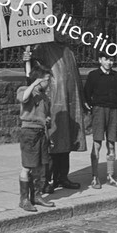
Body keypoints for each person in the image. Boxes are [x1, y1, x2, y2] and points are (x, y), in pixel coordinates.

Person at [27, 42, 87, 194]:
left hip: (68, 101)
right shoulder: (43, 47)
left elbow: (76, 76)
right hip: (53, 102)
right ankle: (47, 180)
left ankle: (62, 176)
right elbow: (35, 73)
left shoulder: (68, 50)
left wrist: (82, 96)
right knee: (52, 143)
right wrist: (27, 59)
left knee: (66, 140)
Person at [17, 64, 55, 212]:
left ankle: (36, 195)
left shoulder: (45, 97)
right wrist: (33, 84)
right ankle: (24, 199)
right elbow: (23, 99)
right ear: (39, 80)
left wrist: (47, 123)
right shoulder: (25, 90)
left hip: (41, 132)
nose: (49, 82)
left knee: (40, 167)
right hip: (29, 132)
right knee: (27, 167)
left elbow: (46, 115)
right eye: (46, 80)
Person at [84, 51, 117, 189]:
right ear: (100, 60)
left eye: (112, 60)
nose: (109, 62)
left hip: (114, 111)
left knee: (111, 144)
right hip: (99, 110)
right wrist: (91, 107)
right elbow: (86, 94)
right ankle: (95, 177)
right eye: (106, 59)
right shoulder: (93, 75)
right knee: (97, 143)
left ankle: (110, 175)